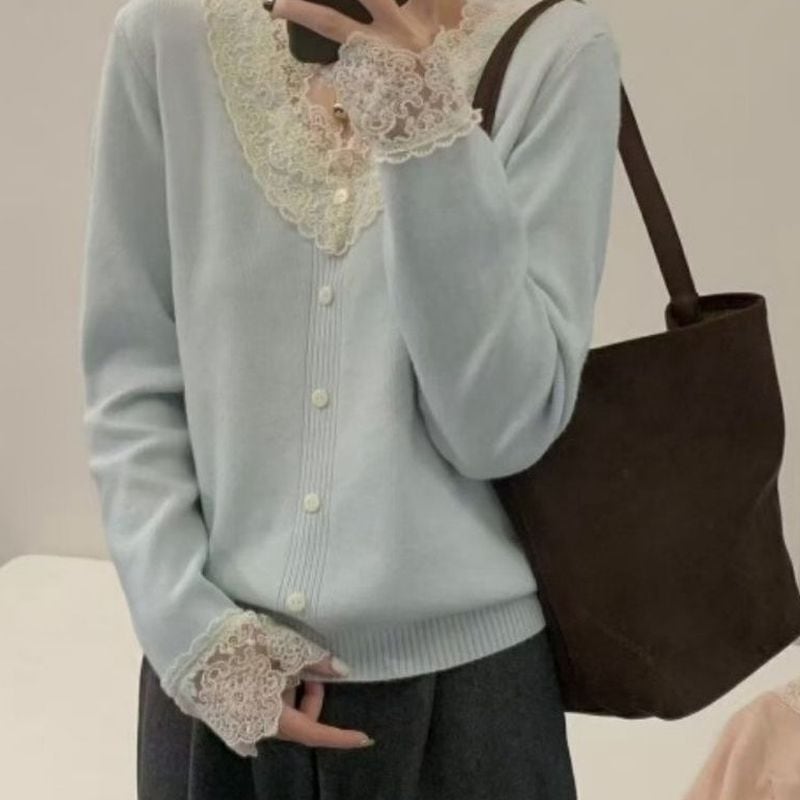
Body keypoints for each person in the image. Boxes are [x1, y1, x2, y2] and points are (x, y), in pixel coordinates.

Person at [79, 0, 621, 796]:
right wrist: (192, 635)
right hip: (220, 690)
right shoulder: (167, 36)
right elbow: (130, 379)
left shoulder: (554, 50)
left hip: (473, 710)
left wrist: (423, 131)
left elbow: (499, 430)